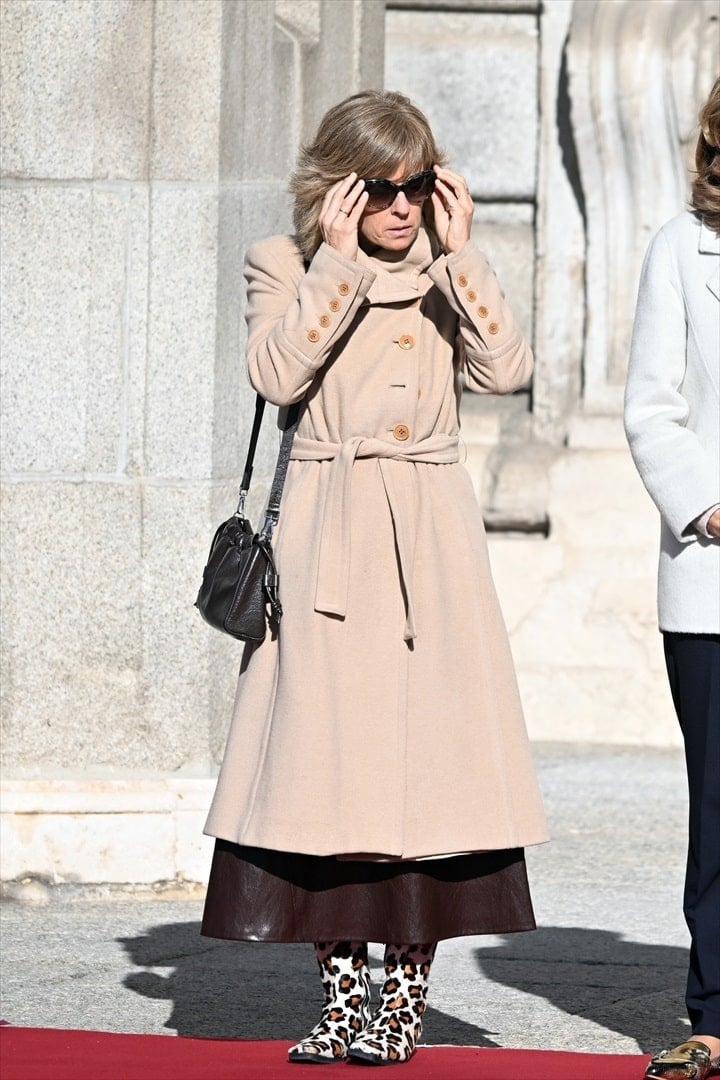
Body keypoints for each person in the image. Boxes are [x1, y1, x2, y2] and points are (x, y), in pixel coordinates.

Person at [200, 89, 547, 1067]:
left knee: (425, 784)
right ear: (342, 187)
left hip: (428, 548)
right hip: (326, 546)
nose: (404, 206)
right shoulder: (285, 264)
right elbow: (277, 375)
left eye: (418, 185)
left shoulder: (447, 272)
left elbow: (508, 368)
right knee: (325, 784)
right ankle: (339, 997)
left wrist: (466, 251)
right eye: (384, 188)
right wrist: (339, 265)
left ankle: (403, 1004)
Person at [624, 77, 720, 1080]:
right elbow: (652, 406)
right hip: (716, 582)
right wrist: (710, 506)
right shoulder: (679, 248)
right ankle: (715, 1013)